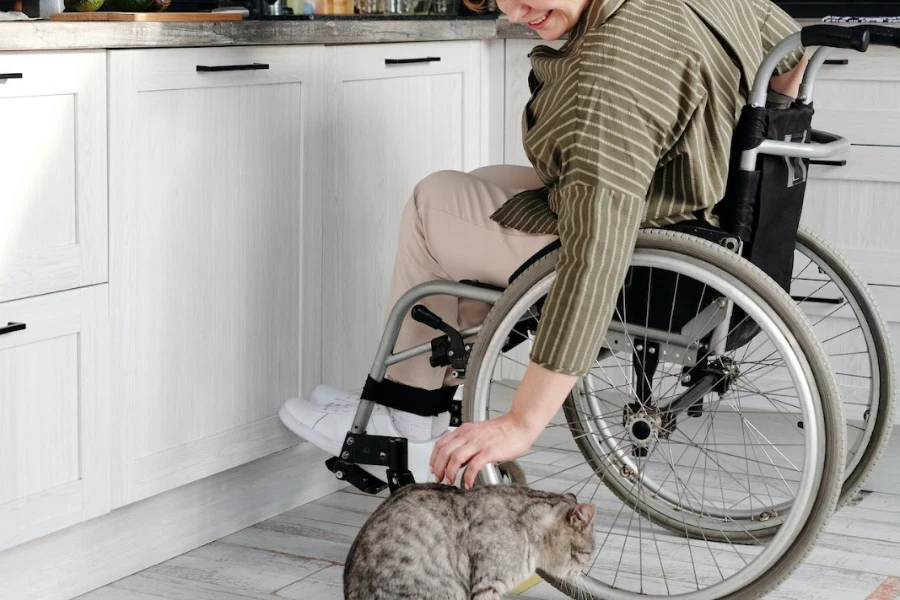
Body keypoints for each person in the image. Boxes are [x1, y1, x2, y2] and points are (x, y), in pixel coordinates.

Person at [279, 0, 809, 491]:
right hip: (705, 219)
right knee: (482, 182)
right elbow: (789, 44)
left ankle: (411, 417)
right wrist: (756, 142)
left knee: (432, 203)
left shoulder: (613, 69)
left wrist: (522, 422)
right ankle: (439, 390)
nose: (513, 11)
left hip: (644, 259)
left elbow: (596, 251)